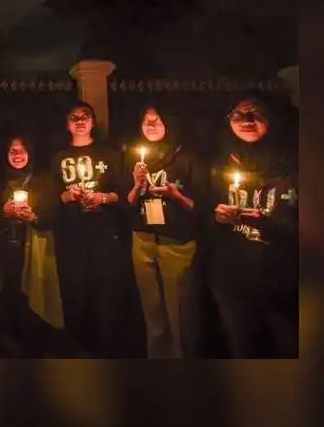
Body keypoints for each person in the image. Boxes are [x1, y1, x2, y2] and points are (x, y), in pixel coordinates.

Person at [205, 92, 298, 358]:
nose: (247, 120)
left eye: (255, 113)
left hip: (283, 280)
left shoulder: (294, 163)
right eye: (238, 114)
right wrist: (217, 216)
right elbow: (202, 211)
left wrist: (269, 224)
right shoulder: (219, 163)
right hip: (233, 280)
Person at [124, 105, 205, 359]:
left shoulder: (187, 158)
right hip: (143, 240)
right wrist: (137, 185)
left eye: (157, 120)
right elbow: (128, 202)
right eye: (146, 120)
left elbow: (201, 206)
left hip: (176, 243)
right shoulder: (135, 158)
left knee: (181, 315)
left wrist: (176, 195)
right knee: (153, 314)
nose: (151, 125)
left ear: (170, 123)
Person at [51, 101, 127, 357]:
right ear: (67, 124)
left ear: (93, 122)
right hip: (71, 239)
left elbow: (124, 194)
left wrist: (102, 198)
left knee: (105, 299)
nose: (80, 121)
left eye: (85, 116)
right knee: (75, 298)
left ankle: (106, 354)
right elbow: (51, 198)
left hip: (104, 237)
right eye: (74, 117)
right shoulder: (58, 157)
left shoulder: (110, 154)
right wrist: (66, 196)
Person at [0, 133, 65, 357]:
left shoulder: (43, 180)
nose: (17, 155)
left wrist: (33, 217)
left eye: (22, 150)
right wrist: (4, 211)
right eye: (12, 150)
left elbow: (54, 215)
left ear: (30, 153)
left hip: (33, 247)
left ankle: (34, 346)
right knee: (5, 295)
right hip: (4, 248)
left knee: (32, 296)